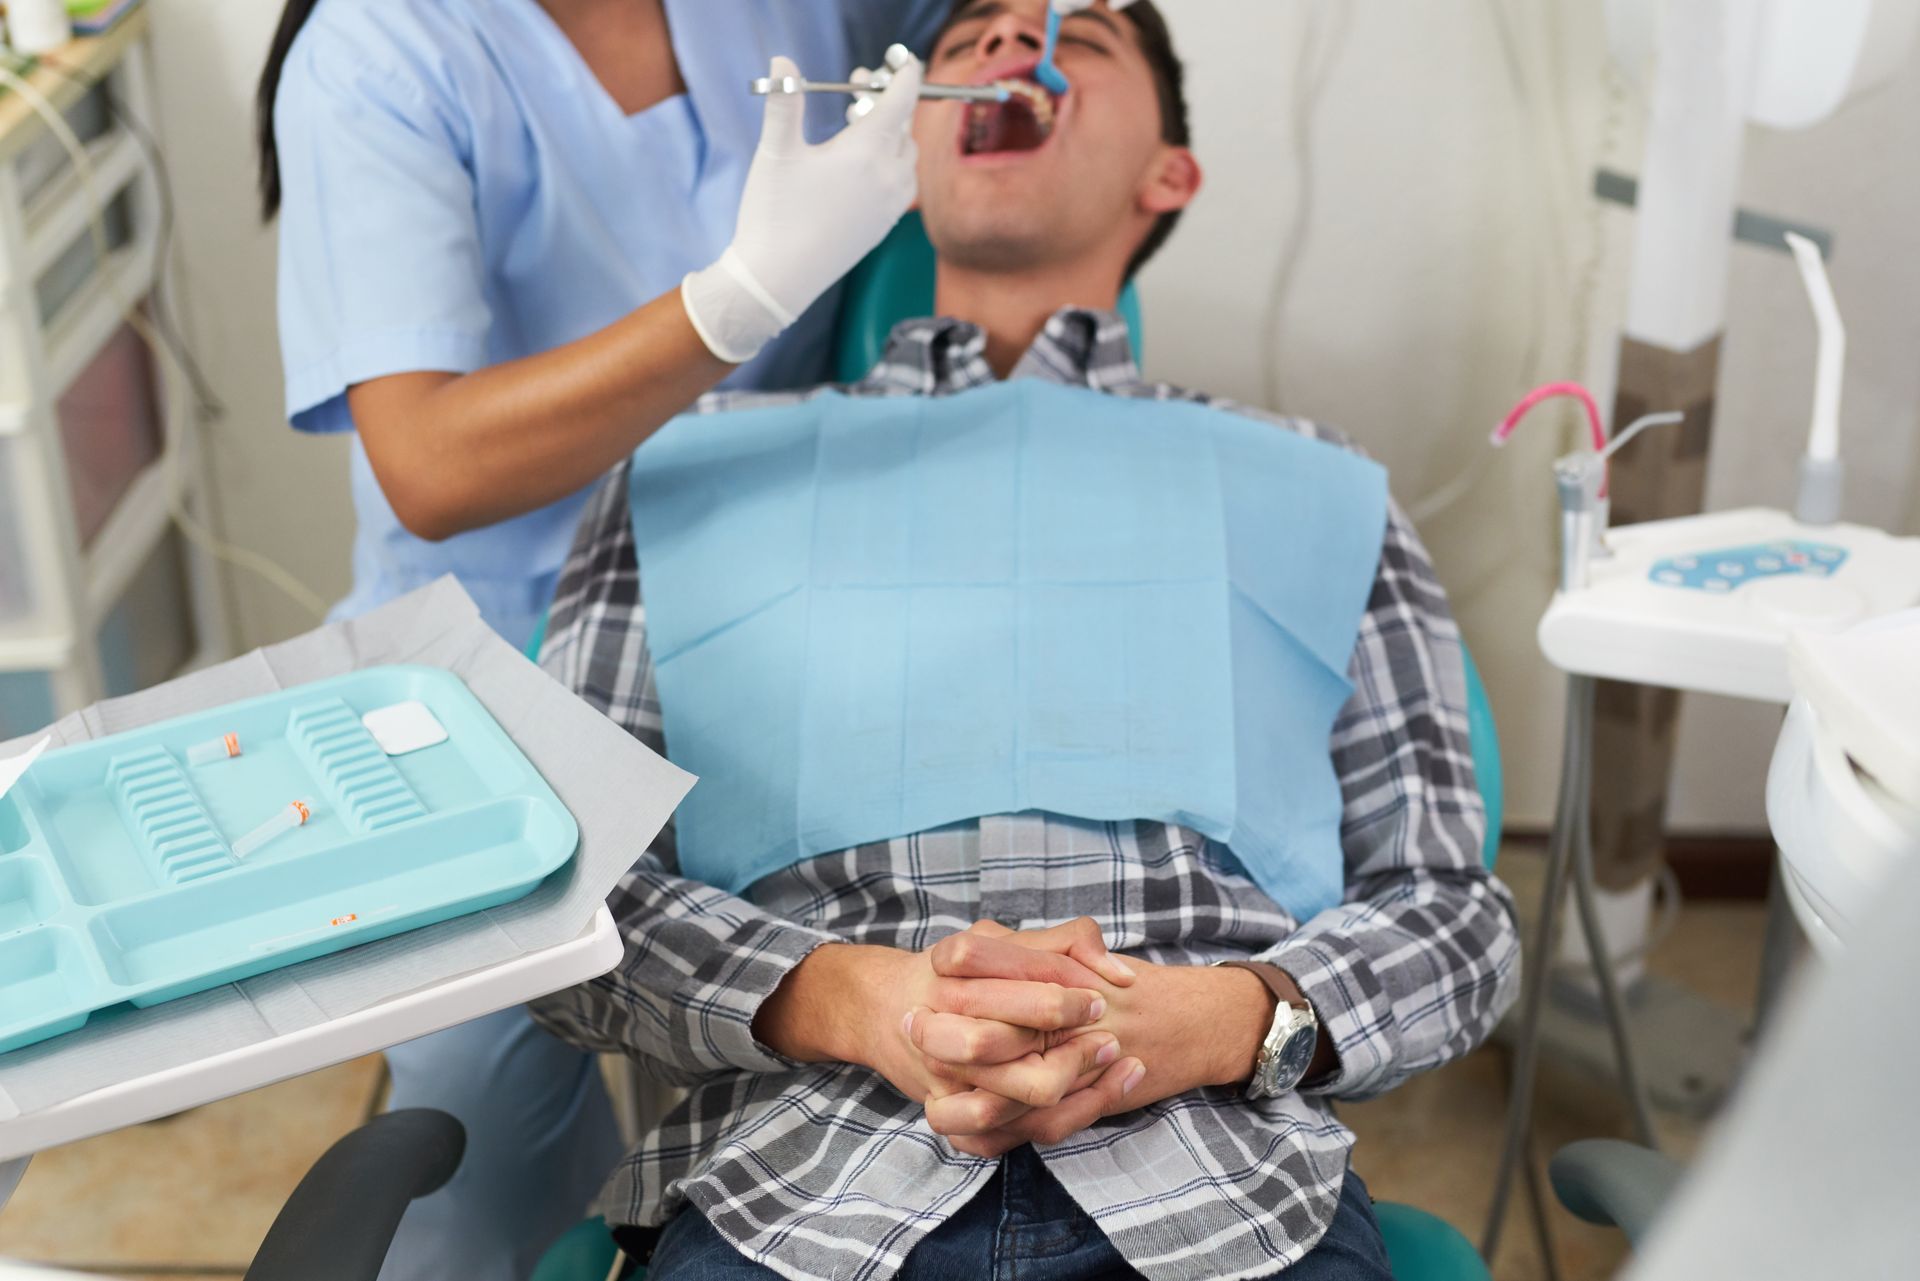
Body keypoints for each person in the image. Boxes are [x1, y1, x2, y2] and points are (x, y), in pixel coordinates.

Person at [533, 2, 1521, 1277]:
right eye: (969, 38)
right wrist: (858, 1000)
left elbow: (1454, 911)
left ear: (1172, 173)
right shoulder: (690, 470)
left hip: (1227, 1189)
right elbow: (571, 914)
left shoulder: (1313, 486)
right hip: (795, 1188)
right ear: (905, 142)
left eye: (1081, 36)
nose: (1012, 46)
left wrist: (1218, 1021)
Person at [256, 3, 951, 1277]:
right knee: (470, 1148)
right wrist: (737, 302)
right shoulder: (383, 53)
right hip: (495, 661)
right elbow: (428, 462)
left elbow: (991, 34)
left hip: (779, 611)